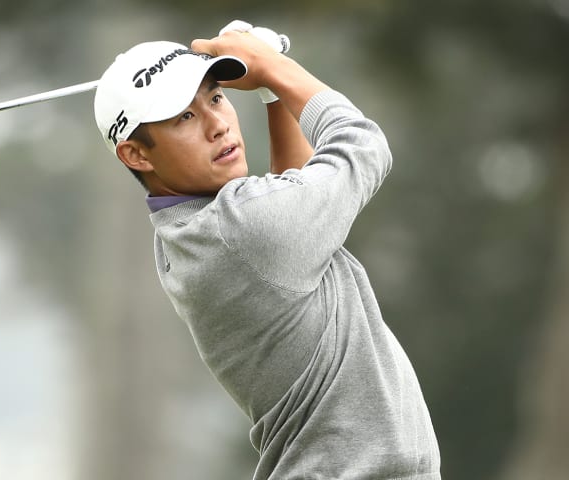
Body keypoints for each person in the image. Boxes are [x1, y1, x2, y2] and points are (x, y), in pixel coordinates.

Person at [93, 22, 441, 480]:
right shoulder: (241, 229)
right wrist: (274, 68)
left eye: (215, 98)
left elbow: (287, 209)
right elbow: (364, 145)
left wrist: (271, 96)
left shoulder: (185, 231)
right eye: (184, 117)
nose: (218, 125)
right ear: (136, 154)